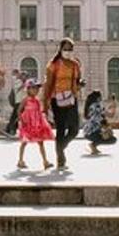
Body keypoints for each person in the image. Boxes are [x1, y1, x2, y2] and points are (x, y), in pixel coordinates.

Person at [41, 38, 82, 169]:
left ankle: (60, 148)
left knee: (74, 129)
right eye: (65, 49)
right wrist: (45, 104)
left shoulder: (75, 64)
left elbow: (77, 80)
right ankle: (61, 159)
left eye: (70, 49)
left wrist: (79, 84)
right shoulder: (54, 64)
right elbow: (48, 85)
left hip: (71, 98)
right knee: (60, 129)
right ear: (60, 49)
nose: (68, 52)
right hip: (56, 99)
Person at [15, 79, 54, 171]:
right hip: (28, 123)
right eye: (34, 88)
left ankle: (45, 161)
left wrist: (43, 120)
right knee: (24, 143)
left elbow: (39, 111)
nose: (36, 90)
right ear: (28, 89)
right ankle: (20, 160)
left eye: (37, 88)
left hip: (37, 124)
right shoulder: (26, 100)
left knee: (41, 142)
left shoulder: (37, 100)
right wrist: (22, 120)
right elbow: (19, 110)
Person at [81, 90, 115, 155]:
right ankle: (93, 145)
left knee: (109, 136)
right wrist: (113, 104)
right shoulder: (97, 106)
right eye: (100, 97)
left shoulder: (90, 105)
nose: (101, 99)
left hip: (87, 132)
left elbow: (103, 115)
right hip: (92, 132)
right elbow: (110, 115)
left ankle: (93, 146)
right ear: (98, 98)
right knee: (112, 139)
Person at [3, 71, 23, 137]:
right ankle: (10, 129)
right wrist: (24, 83)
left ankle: (9, 129)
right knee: (15, 116)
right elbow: (18, 88)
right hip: (18, 102)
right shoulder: (18, 82)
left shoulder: (20, 82)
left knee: (16, 116)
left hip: (21, 102)